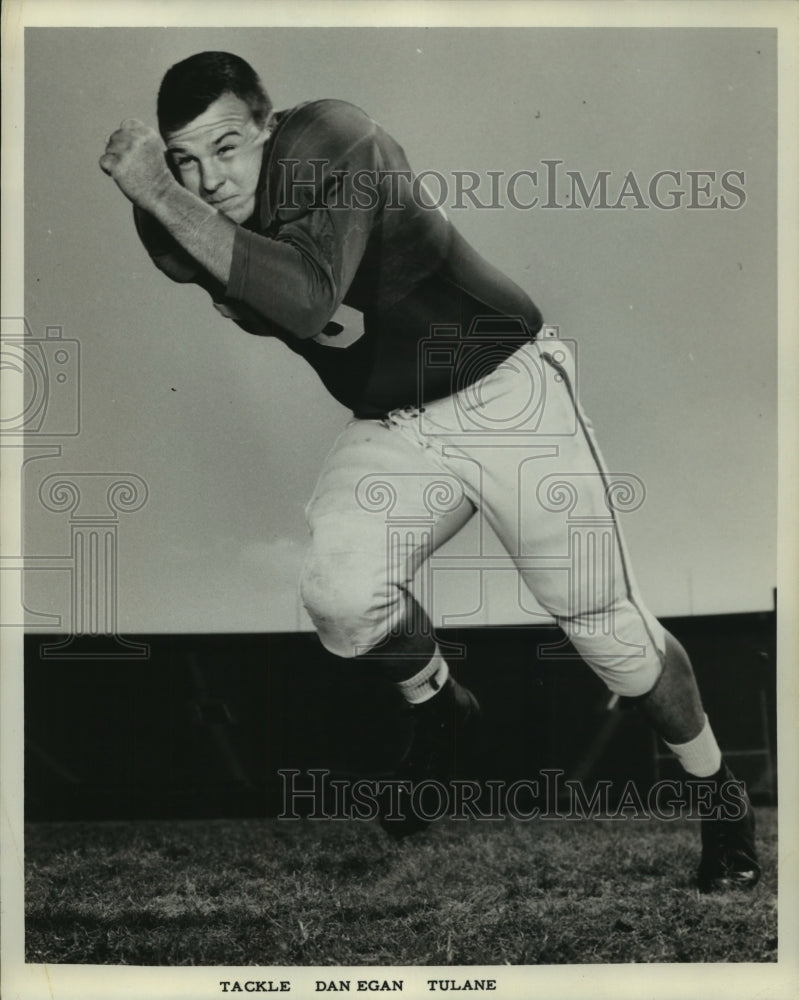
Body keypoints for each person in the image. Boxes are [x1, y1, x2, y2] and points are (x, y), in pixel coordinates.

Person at [100, 51, 759, 891]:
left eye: (227, 147)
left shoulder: (334, 139)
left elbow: (302, 298)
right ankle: (439, 701)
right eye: (184, 159)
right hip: (392, 422)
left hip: (502, 392)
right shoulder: (173, 217)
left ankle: (718, 796)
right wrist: (168, 201)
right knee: (339, 600)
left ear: (271, 124)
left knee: (608, 634)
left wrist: (157, 189)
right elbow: (231, 263)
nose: (207, 177)